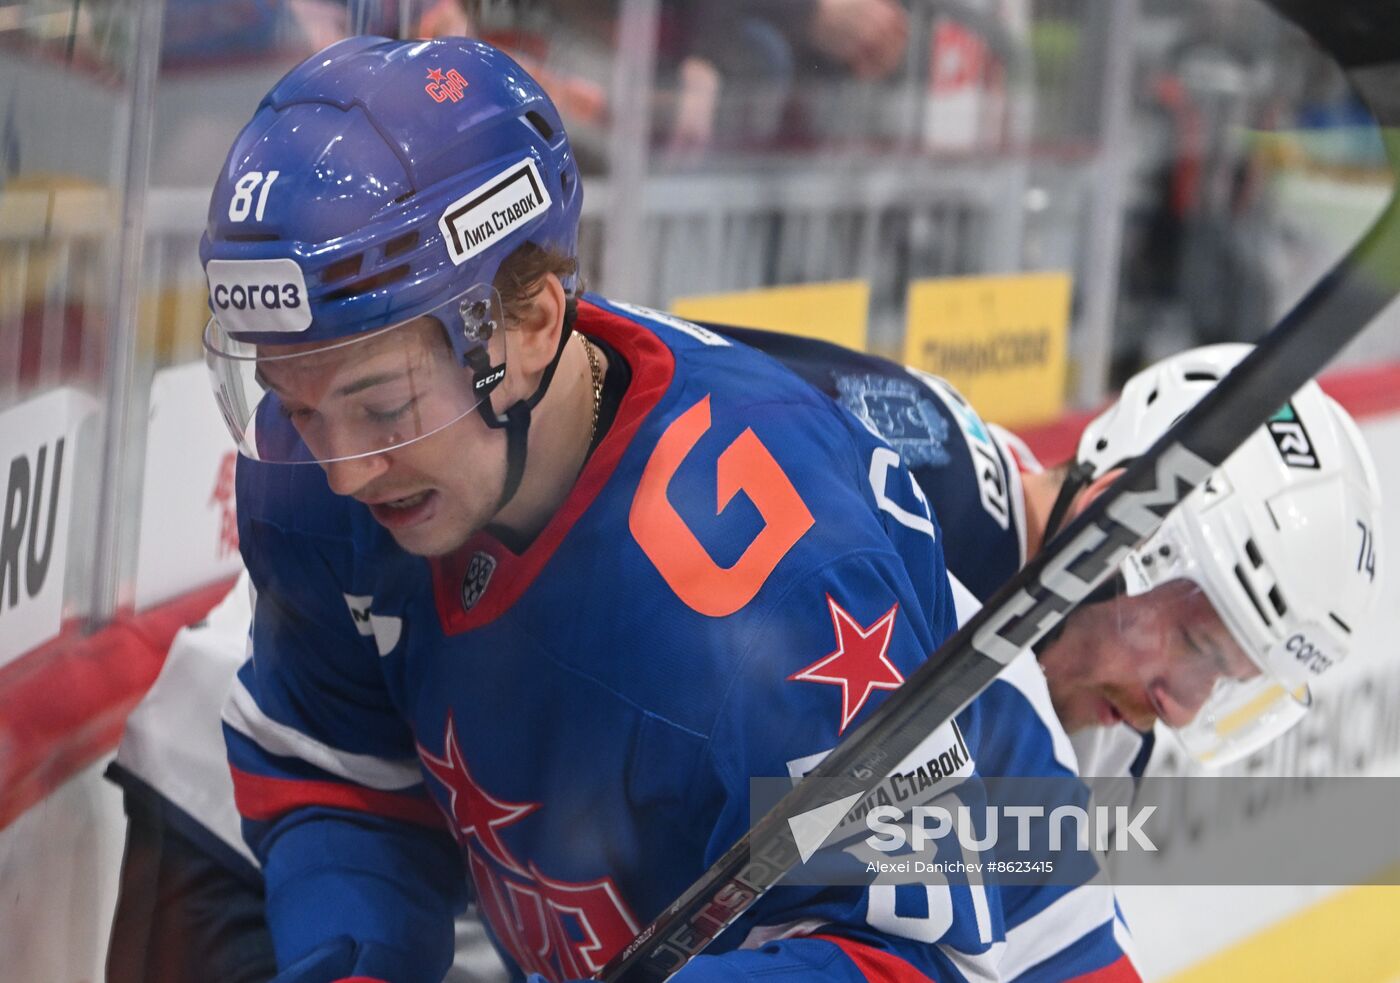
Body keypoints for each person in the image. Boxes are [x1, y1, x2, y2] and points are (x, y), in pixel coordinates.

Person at [199, 34, 1108, 983]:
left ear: (536, 324)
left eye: (384, 406)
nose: (343, 468)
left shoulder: (768, 582)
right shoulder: (311, 472)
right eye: (297, 401)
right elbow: (341, 777)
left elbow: (906, 963)